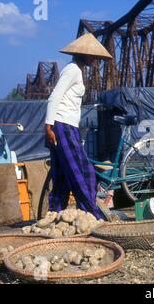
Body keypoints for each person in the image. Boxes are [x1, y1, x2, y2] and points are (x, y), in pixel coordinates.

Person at [45, 33, 113, 220]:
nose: (93, 59)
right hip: (63, 125)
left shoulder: (76, 70)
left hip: (65, 125)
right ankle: (91, 213)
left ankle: (54, 214)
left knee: (62, 174)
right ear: (81, 54)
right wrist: (48, 127)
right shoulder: (73, 70)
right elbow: (55, 96)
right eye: (91, 55)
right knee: (84, 171)